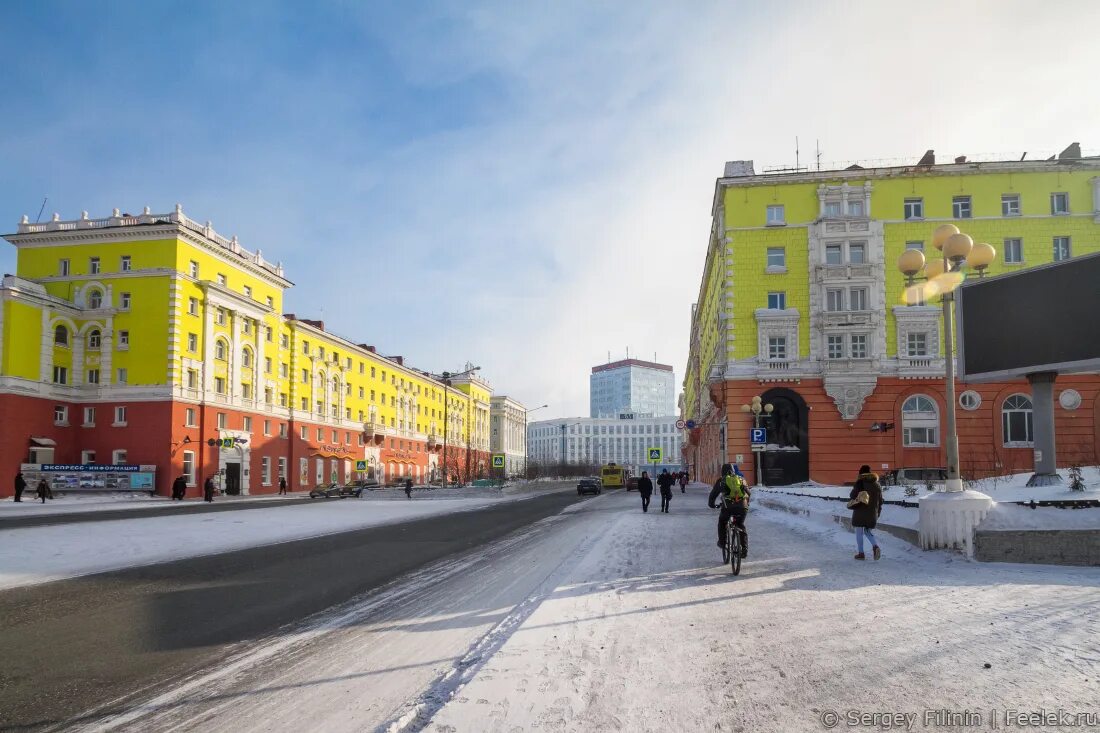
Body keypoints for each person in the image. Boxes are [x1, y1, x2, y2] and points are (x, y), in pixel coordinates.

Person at [708, 463, 750, 558]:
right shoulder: (741, 479)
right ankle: (744, 549)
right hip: (742, 507)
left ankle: (722, 542)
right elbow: (749, 493)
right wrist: (746, 503)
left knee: (722, 522)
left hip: (728, 507)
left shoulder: (721, 480)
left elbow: (713, 495)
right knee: (740, 525)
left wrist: (712, 505)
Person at [849, 464, 883, 560]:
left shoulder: (860, 483)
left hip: (860, 511)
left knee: (859, 532)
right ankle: (875, 546)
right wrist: (878, 512)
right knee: (868, 531)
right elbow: (880, 501)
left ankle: (861, 553)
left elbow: (852, 495)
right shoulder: (877, 484)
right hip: (872, 513)